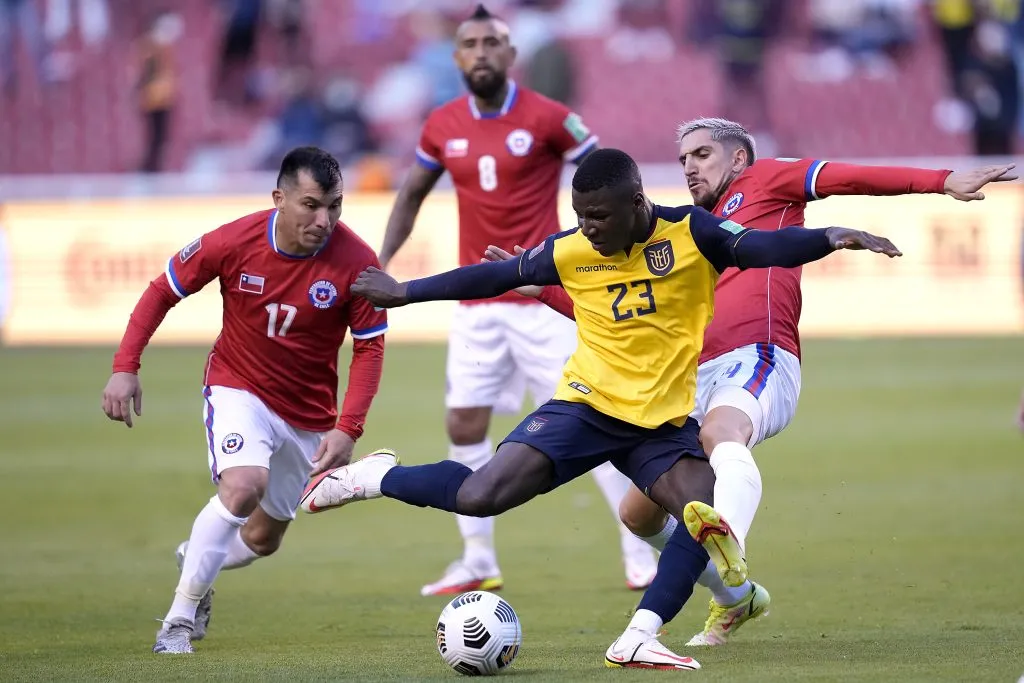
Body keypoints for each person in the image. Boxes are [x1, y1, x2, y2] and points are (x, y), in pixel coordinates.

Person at [300, 148, 902, 669]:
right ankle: (372, 476)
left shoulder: (693, 234)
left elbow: (762, 245)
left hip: (661, 427)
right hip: (585, 408)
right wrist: (406, 291)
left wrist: (828, 236)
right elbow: (493, 277)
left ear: (637, 204)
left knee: (705, 518)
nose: (588, 228)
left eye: (599, 215)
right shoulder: (569, 251)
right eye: (581, 215)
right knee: (481, 495)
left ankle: (640, 637)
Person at [518, 117, 1016, 647]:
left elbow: (847, 176)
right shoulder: (683, 230)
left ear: (738, 159)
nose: (689, 166)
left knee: (720, 435)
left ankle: (723, 543)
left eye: (702, 154)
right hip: (690, 378)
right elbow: (627, 314)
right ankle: (736, 597)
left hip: (758, 357)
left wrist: (941, 180)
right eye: (683, 158)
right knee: (637, 514)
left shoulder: (767, 181)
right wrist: (543, 292)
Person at [378, 3, 657, 596]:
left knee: (591, 422)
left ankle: (640, 551)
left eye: (491, 42)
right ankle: (477, 557)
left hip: (541, 296)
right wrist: (383, 265)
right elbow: (410, 196)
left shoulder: (552, 118)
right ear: (456, 57)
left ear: (511, 55)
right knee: (463, 420)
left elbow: (613, 179)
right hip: (478, 303)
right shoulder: (440, 125)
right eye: (470, 43)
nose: (480, 52)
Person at [101, 147, 388, 654]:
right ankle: (178, 623)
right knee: (242, 486)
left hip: (307, 416)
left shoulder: (358, 262)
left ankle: (198, 557)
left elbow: (369, 347)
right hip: (239, 386)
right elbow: (161, 291)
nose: (324, 220)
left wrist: (349, 428)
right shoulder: (233, 241)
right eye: (311, 205)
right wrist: (126, 367)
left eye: (335, 206)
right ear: (279, 198)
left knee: (262, 541)